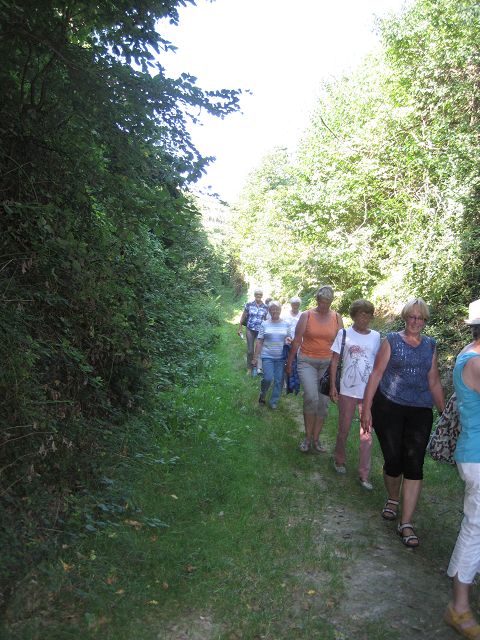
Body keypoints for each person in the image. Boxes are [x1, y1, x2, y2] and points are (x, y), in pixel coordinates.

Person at [361, 298, 445, 548]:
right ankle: (392, 498)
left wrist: (445, 413)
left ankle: (406, 523)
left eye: (421, 318)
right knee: (393, 460)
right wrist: (366, 408)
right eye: (412, 317)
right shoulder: (392, 341)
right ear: (405, 317)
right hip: (389, 406)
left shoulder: (430, 345)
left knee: (414, 464)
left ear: (425, 321)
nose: (416, 322)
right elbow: (376, 373)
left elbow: (434, 381)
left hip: (420, 410)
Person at [444, 299, 480, 639]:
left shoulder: (469, 353)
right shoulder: (476, 361)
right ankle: (459, 607)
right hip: (477, 457)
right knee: (475, 529)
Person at [330, 299, 381, 490]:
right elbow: (335, 361)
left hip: (368, 392)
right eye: (361, 314)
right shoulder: (344, 334)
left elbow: (378, 364)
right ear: (354, 315)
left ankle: (364, 474)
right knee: (343, 428)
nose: (364, 319)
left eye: (368, 315)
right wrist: (333, 386)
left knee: (367, 434)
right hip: (347, 390)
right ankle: (339, 459)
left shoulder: (376, 336)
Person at [286, 285, 343, 453]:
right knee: (312, 397)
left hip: (327, 364)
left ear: (331, 302)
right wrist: (289, 362)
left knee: (323, 403)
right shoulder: (307, 315)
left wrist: (338, 365)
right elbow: (297, 340)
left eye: (327, 303)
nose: (324, 306)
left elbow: (340, 344)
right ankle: (307, 437)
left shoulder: (337, 318)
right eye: (321, 302)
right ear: (317, 300)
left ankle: (316, 439)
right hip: (307, 361)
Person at [252, 301, 291, 409]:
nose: (275, 311)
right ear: (269, 310)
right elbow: (259, 341)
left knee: (279, 380)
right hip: (267, 356)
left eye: (277, 309)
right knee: (268, 378)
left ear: (280, 310)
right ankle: (263, 394)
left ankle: (274, 401)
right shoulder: (264, 324)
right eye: (272, 309)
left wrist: (288, 340)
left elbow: (289, 338)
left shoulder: (286, 324)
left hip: (281, 357)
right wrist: (255, 357)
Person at [238, 289, 268, 375]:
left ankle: (257, 367)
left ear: (262, 296)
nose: (258, 296)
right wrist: (240, 328)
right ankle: (249, 368)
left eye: (260, 295)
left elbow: (266, 320)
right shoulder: (249, 305)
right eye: (257, 294)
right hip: (250, 329)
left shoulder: (265, 307)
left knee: (258, 350)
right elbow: (243, 316)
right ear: (254, 295)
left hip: (260, 331)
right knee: (250, 350)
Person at [282, 297, 302, 394]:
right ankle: (286, 382)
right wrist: (286, 337)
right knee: (287, 362)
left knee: (297, 363)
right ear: (291, 304)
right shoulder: (285, 315)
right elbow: (282, 327)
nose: (295, 306)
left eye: (297, 304)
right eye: (293, 304)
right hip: (287, 342)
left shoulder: (302, 315)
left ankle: (296, 383)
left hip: (299, 343)